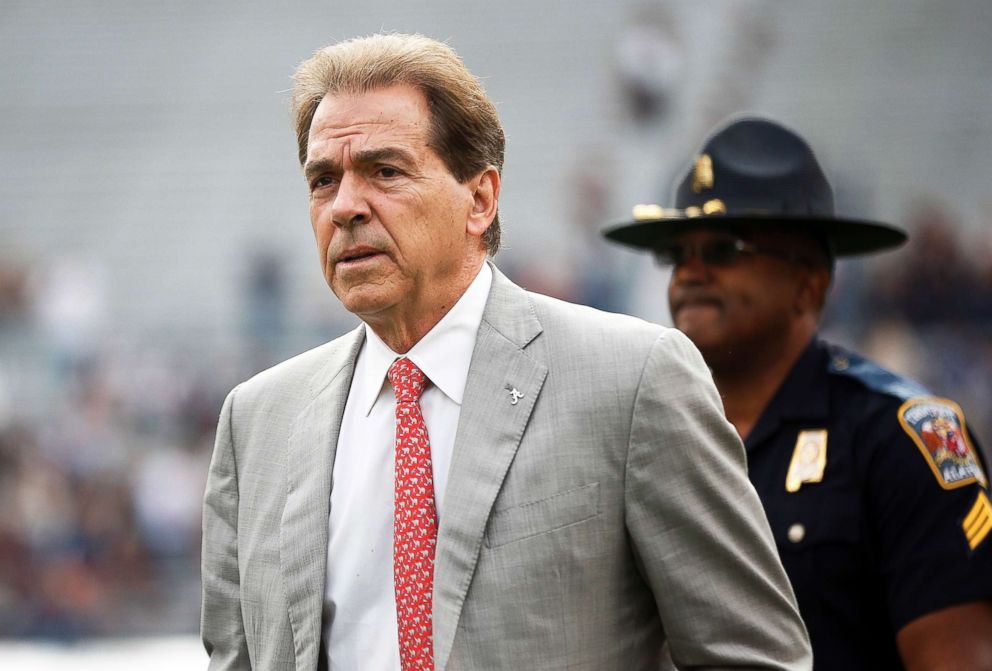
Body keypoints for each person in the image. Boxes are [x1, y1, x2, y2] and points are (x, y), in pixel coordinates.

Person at [200, 34, 811, 671]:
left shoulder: (633, 380)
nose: (347, 206)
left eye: (385, 170)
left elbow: (754, 657)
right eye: (324, 180)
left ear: (481, 198)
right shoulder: (257, 420)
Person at [603, 116, 992, 670]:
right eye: (677, 254)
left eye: (723, 249)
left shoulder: (897, 437)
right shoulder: (641, 437)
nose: (690, 272)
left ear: (809, 283)